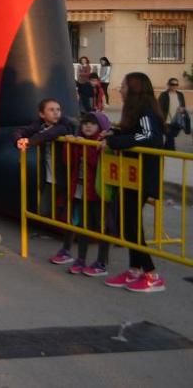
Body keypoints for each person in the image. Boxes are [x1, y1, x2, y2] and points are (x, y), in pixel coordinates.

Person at [100, 72, 166, 293]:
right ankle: (134, 270)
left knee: (132, 225)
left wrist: (114, 141)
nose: (120, 89)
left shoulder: (147, 110)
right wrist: (115, 131)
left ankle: (151, 274)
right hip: (129, 174)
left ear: (135, 88)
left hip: (143, 174)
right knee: (127, 223)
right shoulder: (136, 111)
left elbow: (150, 136)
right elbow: (135, 132)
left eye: (124, 85)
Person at [14, 97, 74, 262]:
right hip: (48, 177)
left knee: (70, 213)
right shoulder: (39, 125)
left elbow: (51, 134)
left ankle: (68, 244)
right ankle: (59, 233)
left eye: (58, 109)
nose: (56, 113)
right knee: (44, 210)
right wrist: (19, 139)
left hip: (65, 176)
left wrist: (30, 142)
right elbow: (22, 130)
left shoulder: (65, 125)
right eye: (51, 110)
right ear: (42, 114)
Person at [65, 112, 115, 277]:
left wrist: (85, 147)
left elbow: (96, 164)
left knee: (103, 227)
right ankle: (81, 259)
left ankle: (101, 262)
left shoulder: (102, 144)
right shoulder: (79, 140)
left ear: (101, 127)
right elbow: (68, 161)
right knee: (84, 226)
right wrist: (72, 144)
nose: (87, 126)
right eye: (85, 123)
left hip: (99, 193)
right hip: (83, 192)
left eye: (92, 124)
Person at [157, 77, 188, 151]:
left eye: (176, 84)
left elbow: (183, 106)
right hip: (167, 122)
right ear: (168, 85)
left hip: (176, 122)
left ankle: (163, 154)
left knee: (169, 140)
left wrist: (182, 109)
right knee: (171, 140)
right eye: (172, 84)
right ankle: (172, 157)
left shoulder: (180, 94)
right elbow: (158, 108)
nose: (174, 86)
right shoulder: (164, 95)